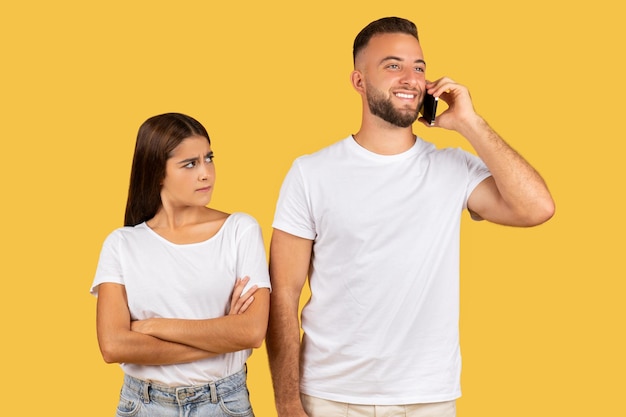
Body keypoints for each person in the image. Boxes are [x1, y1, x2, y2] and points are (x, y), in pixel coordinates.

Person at [266, 17, 555, 417]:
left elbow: (537, 208)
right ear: (358, 81)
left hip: (427, 398)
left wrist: (470, 122)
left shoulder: (454, 168)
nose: (410, 78)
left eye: (418, 67)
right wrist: (286, 404)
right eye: (392, 65)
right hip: (330, 397)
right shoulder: (310, 172)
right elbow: (282, 294)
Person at [91, 112, 270, 417]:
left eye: (209, 158)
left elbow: (252, 331)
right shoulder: (122, 244)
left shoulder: (240, 230)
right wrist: (222, 338)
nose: (206, 173)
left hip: (223, 403)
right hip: (143, 405)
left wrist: (155, 327)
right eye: (190, 164)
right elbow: (114, 345)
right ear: (157, 171)